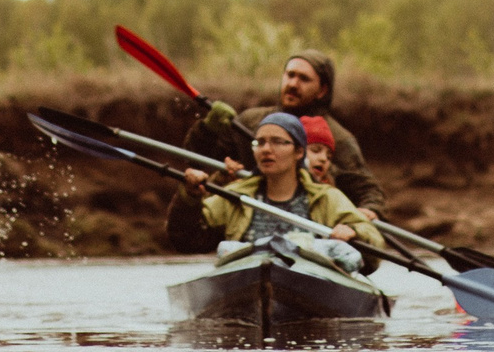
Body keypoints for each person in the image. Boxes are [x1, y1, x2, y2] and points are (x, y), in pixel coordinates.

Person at [184, 49, 388, 220]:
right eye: (290, 75)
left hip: (310, 224)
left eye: (304, 79)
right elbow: (194, 159)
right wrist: (207, 129)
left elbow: (367, 189)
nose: (293, 84)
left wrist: (368, 212)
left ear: (322, 90)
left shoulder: (337, 138)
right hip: (247, 217)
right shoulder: (251, 121)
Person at [166, 112, 381, 272]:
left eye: (277, 142)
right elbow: (185, 238)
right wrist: (190, 197)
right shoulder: (235, 196)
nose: (266, 149)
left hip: (312, 281)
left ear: (299, 152)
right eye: (260, 142)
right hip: (246, 280)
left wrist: (355, 232)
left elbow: (373, 241)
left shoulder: (326, 197)